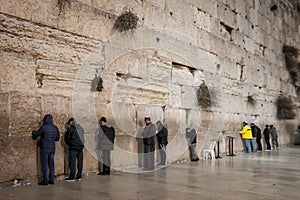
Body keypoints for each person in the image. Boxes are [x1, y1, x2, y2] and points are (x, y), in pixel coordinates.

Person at [32, 114, 60, 185]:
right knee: (51, 164)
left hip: (44, 148)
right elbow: (57, 138)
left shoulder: (44, 127)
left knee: (44, 164)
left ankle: (45, 181)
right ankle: (51, 180)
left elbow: (36, 134)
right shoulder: (55, 128)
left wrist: (33, 132)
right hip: (52, 148)